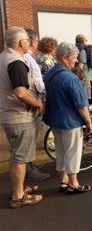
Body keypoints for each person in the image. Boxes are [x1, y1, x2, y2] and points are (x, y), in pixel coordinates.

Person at [0, 26, 44, 208]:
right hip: (19, 117)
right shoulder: (16, 62)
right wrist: (39, 104)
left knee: (16, 155)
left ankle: (19, 188)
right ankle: (18, 196)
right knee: (20, 158)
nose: (30, 42)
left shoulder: (2, 57)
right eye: (27, 39)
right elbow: (21, 92)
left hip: (7, 114)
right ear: (21, 42)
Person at [43, 42, 92, 195]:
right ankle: (74, 184)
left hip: (54, 120)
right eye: (74, 58)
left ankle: (63, 181)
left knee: (61, 152)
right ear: (65, 58)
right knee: (72, 152)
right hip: (70, 122)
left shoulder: (50, 74)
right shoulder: (71, 78)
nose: (76, 61)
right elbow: (81, 106)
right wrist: (88, 122)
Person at [24, 29, 50, 182]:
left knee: (31, 136)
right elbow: (36, 81)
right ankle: (29, 168)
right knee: (30, 136)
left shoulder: (30, 57)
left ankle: (31, 164)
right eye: (36, 40)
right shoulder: (27, 57)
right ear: (32, 41)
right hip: (34, 98)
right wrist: (44, 96)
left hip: (33, 98)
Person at [75, 34, 92, 100]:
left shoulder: (75, 49)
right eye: (85, 41)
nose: (86, 42)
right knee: (86, 96)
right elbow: (80, 66)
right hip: (84, 76)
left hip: (79, 76)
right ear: (83, 41)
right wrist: (82, 77)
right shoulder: (82, 50)